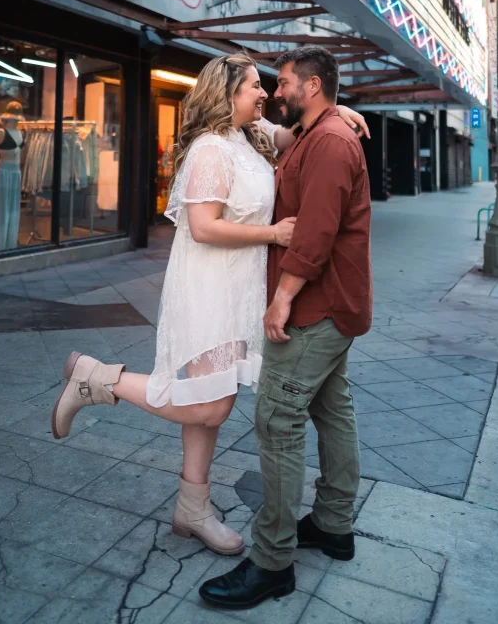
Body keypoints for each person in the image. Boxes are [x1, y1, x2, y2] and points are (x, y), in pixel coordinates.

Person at [50, 52, 368, 556]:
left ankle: (192, 509)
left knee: (210, 409)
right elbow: (201, 226)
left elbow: (299, 131)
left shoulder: (251, 135)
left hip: (238, 288)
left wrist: (338, 109)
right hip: (209, 288)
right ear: (227, 95)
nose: (265, 94)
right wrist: (274, 231)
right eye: (254, 86)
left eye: (268, 86)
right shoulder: (209, 149)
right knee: (211, 403)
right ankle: (96, 379)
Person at [199, 46, 372, 610]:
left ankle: (272, 561)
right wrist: (339, 112)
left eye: (284, 82)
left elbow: (315, 234)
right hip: (333, 303)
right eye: (266, 85)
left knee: (277, 419)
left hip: (315, 306)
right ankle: (333, 524)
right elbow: (285, 137)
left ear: (313, 86)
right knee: (331, 406)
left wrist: (282, 301)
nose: (275, 92)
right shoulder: (318, 132)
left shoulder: (328, 142)